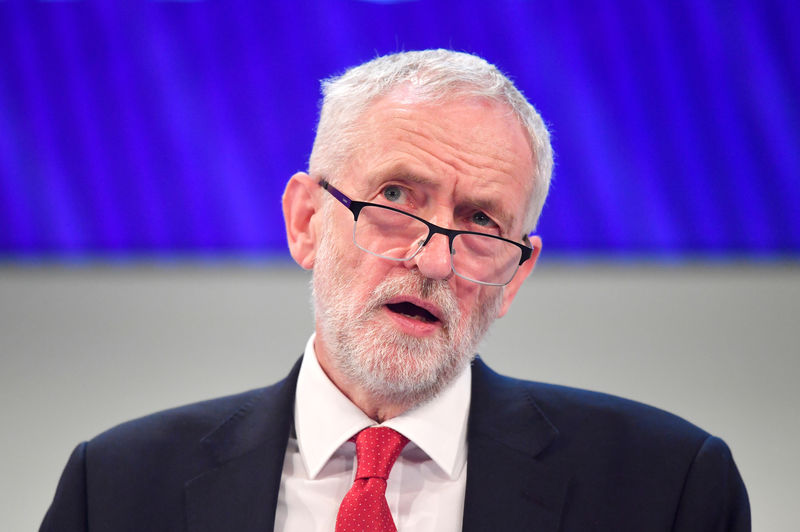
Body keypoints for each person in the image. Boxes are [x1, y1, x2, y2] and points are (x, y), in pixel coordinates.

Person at [40, 49, 749, 531]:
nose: (434, 260)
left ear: (515, 275)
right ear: (306, 220)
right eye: (395, 195)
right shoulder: (119, 490)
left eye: (480, 221)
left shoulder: (666, 489)